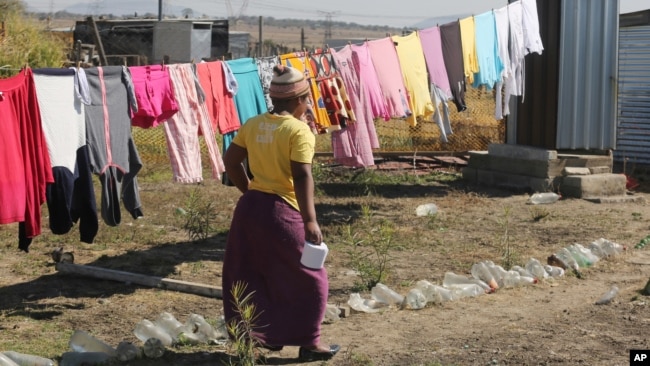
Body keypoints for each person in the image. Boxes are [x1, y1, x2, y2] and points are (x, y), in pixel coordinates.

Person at [221, 64, 340, 361]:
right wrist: (310, 220)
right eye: (307, 100)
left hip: (250, 209)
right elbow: (301, 176)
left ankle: (264, 334)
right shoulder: (298, 131)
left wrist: (249, 192)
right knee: (311, 276)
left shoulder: (253, 124)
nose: (308, 105)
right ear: (299, 100)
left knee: (253, 272)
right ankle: (311, 343)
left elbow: (231, 161)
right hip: (282, 211)